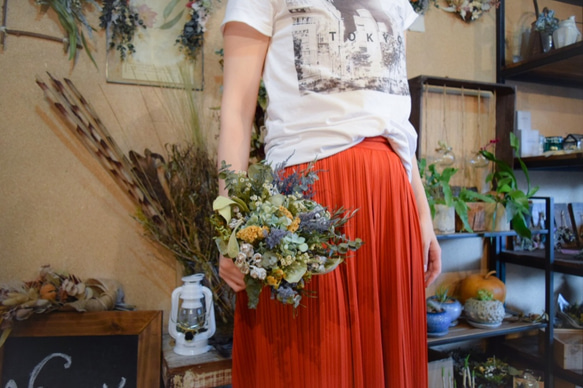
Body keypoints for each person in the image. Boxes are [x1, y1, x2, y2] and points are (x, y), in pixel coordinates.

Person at [217, 0, 442, 386]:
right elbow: (237, 110)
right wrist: (229, 225)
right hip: (305, 201)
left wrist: (423, 217)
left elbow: (394, 120)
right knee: (311, 365)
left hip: (389, 199)